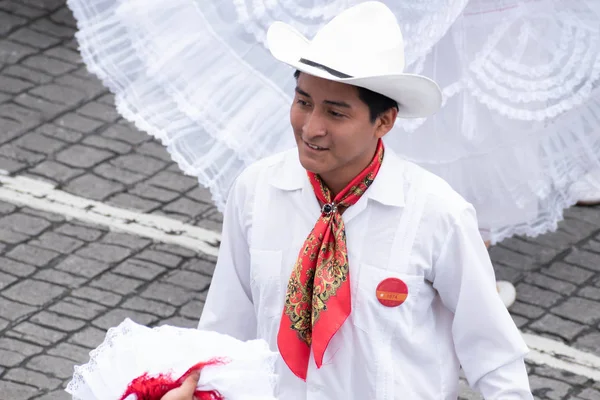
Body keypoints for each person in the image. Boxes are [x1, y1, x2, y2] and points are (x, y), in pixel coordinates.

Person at [161, 3, 533, 399]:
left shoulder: (438, 215)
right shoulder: (256, 191)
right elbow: (225, 327)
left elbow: (493, 355)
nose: (311, 128)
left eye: (336, 114)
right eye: (303, 102)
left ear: (384, 121)